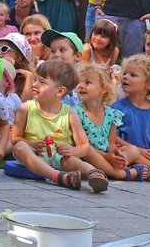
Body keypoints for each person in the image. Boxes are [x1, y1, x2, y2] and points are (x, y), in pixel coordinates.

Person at [10, 60, 105, 191]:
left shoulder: (69, 113)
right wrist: (32, 144)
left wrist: (71, 151)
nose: (35, 84)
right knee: (20, 147)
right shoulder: (26, 108)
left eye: (42, 82)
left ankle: (93, 174)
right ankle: (58, 177)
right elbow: (15, 139)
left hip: (60, 158)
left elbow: (85, 146)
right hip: (34, 155)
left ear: (60, 91)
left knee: (73, 160)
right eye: (36, 80)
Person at [74, 63, 131, 181]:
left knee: (133, 150)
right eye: (79, 82)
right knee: (87, 151)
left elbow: (111, 142)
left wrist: (113, 154)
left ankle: (113, 167)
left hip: (106, 156)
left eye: (87, 82)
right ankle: (120, 173)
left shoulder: (111, 114)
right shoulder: (75, 113)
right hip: (87, 156)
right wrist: (107, 157)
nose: (80, 86)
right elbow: (80, 146)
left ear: (103, 89)